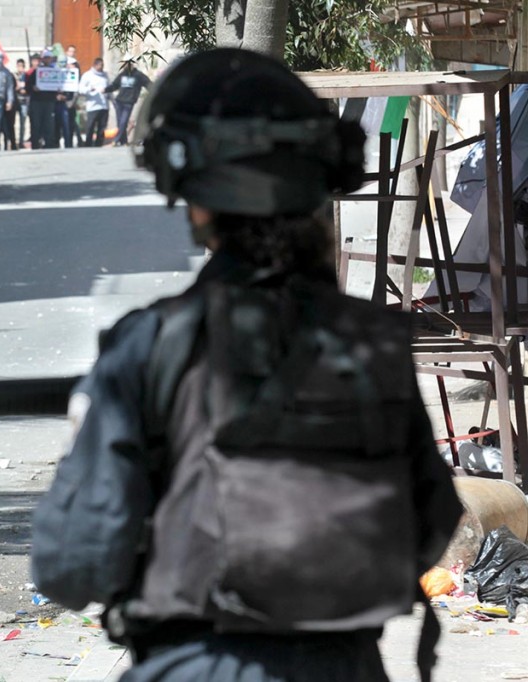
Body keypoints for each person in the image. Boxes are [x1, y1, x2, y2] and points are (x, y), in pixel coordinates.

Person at [31, 48, 461, 682]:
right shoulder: (372, 344)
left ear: (194, 197)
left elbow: (73, 562)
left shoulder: (152, 343)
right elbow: (432, 522)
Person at [105, 57, 151, 146]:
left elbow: (148, 84)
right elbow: (115, 85)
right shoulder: (122, 74)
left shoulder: (138, 75)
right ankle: (124, 142)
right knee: (120, 123)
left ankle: (116, 140)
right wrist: (105, 89)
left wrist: (155, 90)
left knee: (123, 121)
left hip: (129, 102)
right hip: (119, 101)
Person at [25, 49, 58, 149]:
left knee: (49, 124)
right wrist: (33, 88)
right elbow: (27, 87)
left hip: (49, 101)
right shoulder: (35, 72)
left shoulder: (55, 72)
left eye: (49, 58)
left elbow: (57, 84)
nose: (47, 60)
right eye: (45, 58)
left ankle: (49, 144)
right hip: (37, 102)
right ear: (42, 59)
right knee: (36, 123)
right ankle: (35, 144)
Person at [78, 57, 109, 147]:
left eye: (103, 65)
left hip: (104, 105)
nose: (102, 67)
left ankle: (99, 144)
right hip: (92, 106)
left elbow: (109, 87)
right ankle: (88, 144)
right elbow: (80, 89)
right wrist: (89, 89)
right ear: (95, 65)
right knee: (90, 126)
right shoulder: (87, 75)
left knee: (102, 127)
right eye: (100, 65)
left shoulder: (105, 75)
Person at [14, 58, 30, 148]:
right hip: (16, 100)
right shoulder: (14, 75)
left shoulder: (26, 75)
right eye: (18, 66)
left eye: (22, 66)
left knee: (22, 122)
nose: (20, 68)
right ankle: (14, 140)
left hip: (24, 101)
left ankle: (21, 141)